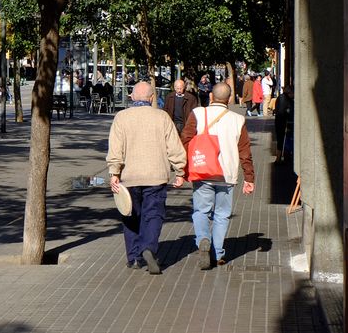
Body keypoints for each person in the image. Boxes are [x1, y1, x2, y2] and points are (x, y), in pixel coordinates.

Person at [106, 81, 186, 274]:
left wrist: (114, 172)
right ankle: (149, 248)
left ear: (132, 97)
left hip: (129, 177)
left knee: (130, 215)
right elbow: (174, 147)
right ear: (152, 98)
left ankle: (134, 258)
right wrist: (180, 170)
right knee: (153, 215)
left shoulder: (121, 117)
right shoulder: (162, 117)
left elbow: (115, 149)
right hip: (155, 176)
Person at [181, 81, 255, 269]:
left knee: (201, 211)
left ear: (211, 97)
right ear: (229, 99)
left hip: (203, 171)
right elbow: (245, 151)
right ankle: (218, 252)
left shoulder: (198, 113)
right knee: (222, 215)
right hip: (227, 174)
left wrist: (182, 170)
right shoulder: (238, 119)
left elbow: (185, 141)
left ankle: (203, 239)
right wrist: (249, 178)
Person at [274, 84, 294, 161]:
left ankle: (279, 158)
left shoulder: (283, 98)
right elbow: (281, 112)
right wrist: (288, 112)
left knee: (281, 140)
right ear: (290, 92)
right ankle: (279, 158)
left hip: (281, 122)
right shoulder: (284, 99)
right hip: (282, 123)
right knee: (281, 140)